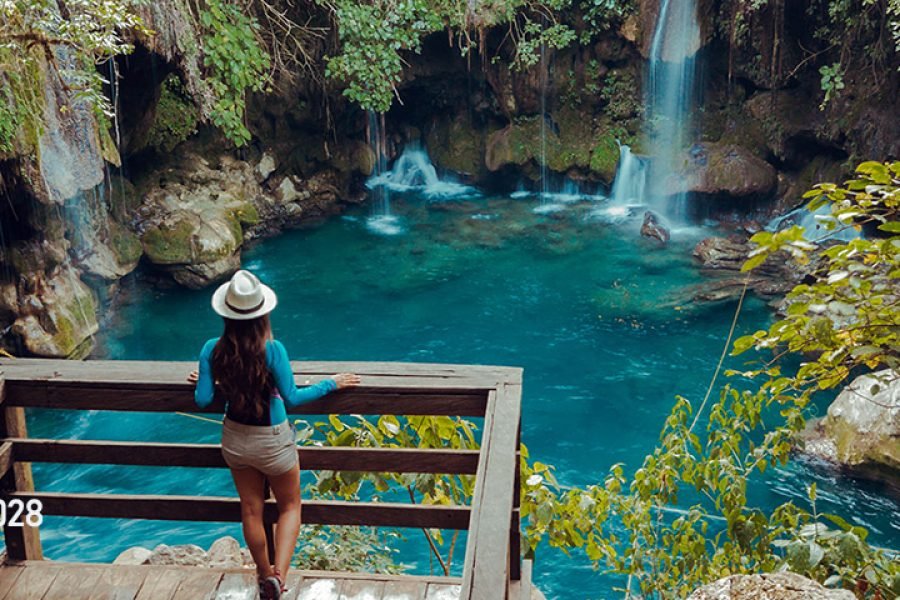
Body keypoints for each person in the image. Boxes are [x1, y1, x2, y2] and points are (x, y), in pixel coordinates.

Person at [186, 269, 359, 600]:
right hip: (274, 441)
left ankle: (263, 573)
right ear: (263, 311)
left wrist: (213, 380)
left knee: (251, 508)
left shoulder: (212, 350)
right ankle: (279, 577)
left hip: (235, 440)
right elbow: (292, 397)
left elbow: (203, 399)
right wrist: (331, 384)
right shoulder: (273, 349)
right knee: (290, 505)